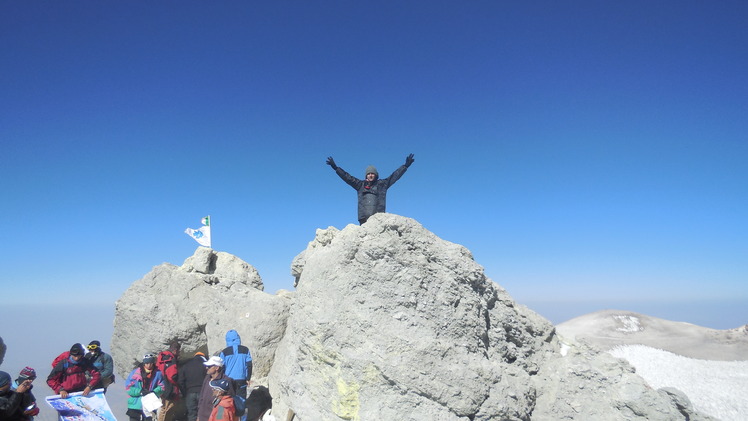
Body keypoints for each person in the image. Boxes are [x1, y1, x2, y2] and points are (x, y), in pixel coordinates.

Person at [326, 153, 415, 224]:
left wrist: (405, 166)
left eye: (372, 173)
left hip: (378, 220)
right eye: (368, 174)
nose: (370, 175)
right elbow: (347, 177)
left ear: (376, 175)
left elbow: (394, 176)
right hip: (363, 221)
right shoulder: (360, 185)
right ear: (366, 175)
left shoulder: (382, 185)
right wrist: (336, 168)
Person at [125, 354, 165, 421]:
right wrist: (140, 391)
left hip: (150, 403)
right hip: (135, 403)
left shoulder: (158, 373)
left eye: (151, 363)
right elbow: (128, 388)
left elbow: (162, 386)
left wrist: (154, 392)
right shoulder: (135, 373)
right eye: (147, 363)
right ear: (144, 363)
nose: (149, 365)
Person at [218, 330, 252, 403]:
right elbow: (249, 365)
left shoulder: (224, 352)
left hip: (228, 380)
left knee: (228, 400)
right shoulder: (245, 350)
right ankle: (241, 414)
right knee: (241, 401)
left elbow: (222, 367)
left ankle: (230, 414)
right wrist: (248, 378)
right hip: (241, 379)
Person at [197, 357, 234, 421]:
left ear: (217, 368)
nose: (207, 368)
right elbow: (201, 396)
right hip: (203, 415)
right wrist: (198, 415)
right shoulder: (207, 378)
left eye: (209, 366)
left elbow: (230, 397)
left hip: (214, 414)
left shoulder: (226, 381)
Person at [156, 342, 183, 421]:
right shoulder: (171, 359)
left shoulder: (162, 358)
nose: (179, 353)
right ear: (175, 350)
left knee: (163, 408)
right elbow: (172, 376)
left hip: (161, 386)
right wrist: (177, 384)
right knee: (168, 409)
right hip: (169, 388)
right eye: (178, 351)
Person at [179, 352, 207, 421]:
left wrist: (184, 393)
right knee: (204, 413)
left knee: (192, 414)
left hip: (190, 393)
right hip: (202, 392)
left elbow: (180, 381)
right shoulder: (205, 365)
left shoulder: (186, 365)